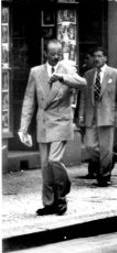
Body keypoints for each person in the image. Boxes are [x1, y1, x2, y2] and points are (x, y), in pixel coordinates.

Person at [18, 39, 86, 216]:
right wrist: (23, 128)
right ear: (45, 54)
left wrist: (63, 78)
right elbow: (28, 101)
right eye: (53, 53)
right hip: (43, 123)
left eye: (59, 53)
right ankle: (49, 203)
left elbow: (82, 83)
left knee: (54, 160)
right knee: (45, 166)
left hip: (61, 122)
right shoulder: (36, 72)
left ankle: (62, 195)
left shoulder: (67, 70)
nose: (56, 57)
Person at [78, 46, 117, 187]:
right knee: (90, 146)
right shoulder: (88, 74)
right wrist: (81, 115)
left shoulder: (115, 74)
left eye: (100, 56)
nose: (97, 59)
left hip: (107, 116)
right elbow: (83, 98)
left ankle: (105, 176)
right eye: (95, 56)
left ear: (105, 58)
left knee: (105, 148)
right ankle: (110, 159)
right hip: (91, 116)